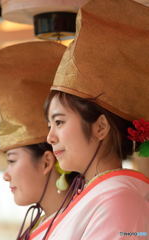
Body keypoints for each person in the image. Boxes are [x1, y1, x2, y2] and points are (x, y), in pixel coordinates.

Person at [43, 0, 149, 239]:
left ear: (100, 126)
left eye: (59, 122)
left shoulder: (120, 199)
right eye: (50, 125)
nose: (50, 137)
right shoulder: (98, 195)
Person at [0, 41, 77, 240]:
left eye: (11, 161)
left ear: (46, 161)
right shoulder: (45, 223)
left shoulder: (81, 221)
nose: (6, 175)